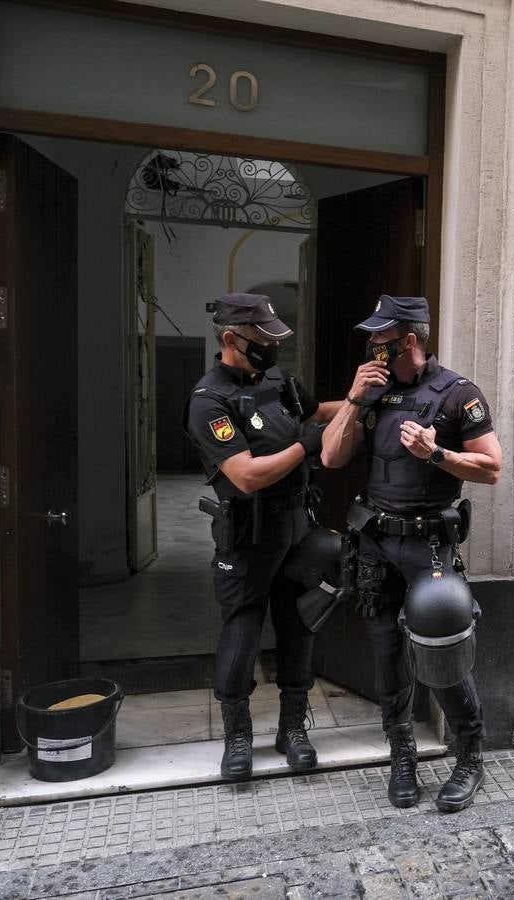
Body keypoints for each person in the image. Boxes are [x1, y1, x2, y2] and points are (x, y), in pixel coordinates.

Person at [320, 294, 502, 813]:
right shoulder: (372, 393)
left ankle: (469, 754)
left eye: (383, 342)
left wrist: (436, 453)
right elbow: (332, 457)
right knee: (385, 656)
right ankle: (402, 755)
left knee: (442, 655)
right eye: (373, 343)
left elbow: (492, 468)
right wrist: (355, 400)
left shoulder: (457, 394)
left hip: (429, 547)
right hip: (377, 543)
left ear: (411, 341)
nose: (374, 351)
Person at [184, 293, 340, 780]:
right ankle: (237, 736)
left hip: (296, 523)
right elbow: (246, 475)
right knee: (242, 629)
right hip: (249, 533)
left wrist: (361, 402)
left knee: (299, 622)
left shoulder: (277, 380)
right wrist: (305, 446)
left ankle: (293, 728)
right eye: (262, 339)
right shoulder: (209, 401)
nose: (272, 348)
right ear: (231, 339)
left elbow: (315, 413)